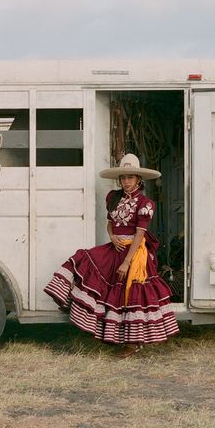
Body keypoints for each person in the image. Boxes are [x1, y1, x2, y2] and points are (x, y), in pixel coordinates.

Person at [44, 153, 179, 357]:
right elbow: (110, 222)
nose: (126, 182)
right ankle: (77, 307)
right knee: (84, 259)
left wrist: (126, 262)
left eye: (130, 178)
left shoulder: (145, 203)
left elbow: (140, 234)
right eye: (123, 178)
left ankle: (133, 343)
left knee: (131, 294)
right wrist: (112, 237)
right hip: (115, 246)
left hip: (133, 253)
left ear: (138, 180)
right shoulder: (113, 197)